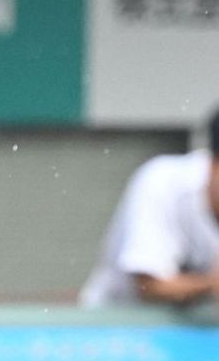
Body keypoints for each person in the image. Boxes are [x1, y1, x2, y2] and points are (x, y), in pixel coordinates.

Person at [79, 108, 219, 308]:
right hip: (119, 324)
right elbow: (148, 286)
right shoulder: (163, 181)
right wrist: (210, 283)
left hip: (201, 332)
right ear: (213, 162)